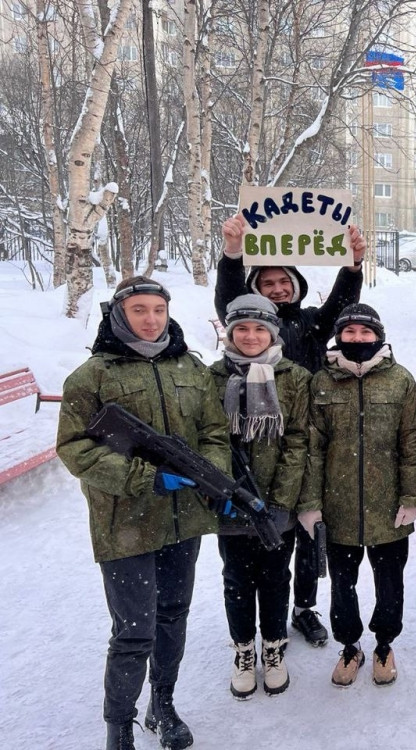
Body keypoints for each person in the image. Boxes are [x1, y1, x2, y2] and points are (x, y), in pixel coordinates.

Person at [56, 277, 229, 750]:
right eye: (139, 310)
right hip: (124, 524)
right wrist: (142, 477)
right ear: (119, 314)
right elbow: (74, 449)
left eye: (158, 310)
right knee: (134, 631)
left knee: (172, 616)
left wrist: (210, 473)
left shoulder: (190, 367)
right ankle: (119, 727)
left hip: (183, 519)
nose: (151, 320)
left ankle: (163, 705)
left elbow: (214, 431)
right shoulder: (92, 376)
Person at [216, 214, 368, 648]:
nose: (278, 288)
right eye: (268, 283)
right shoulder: (252, 327)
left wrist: (353, 265)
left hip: (309, 439)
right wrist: (232, 254)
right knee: (269, 534)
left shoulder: (311, 323)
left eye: (284, 281)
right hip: (263, 444)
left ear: (297, 284)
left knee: (308, 528)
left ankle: (303, 606)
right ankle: (265, 617)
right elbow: (229, 300)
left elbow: (340, 305)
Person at [302, 304, 416, 688]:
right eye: (350, 331)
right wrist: (310, 504)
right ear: (339, 336)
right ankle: (349, 645)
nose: (357, 338)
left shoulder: (399, 380)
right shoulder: (321, 381)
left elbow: (411, 443)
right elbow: (313, 448)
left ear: (378, 336)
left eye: (365, 331)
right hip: (338, 507)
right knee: (343, 584)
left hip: (389, 508)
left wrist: (412, 496)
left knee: (390, 583)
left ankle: (384, 644)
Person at [209, 295, 312, 700]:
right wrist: (224, 490)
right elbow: (208, 438)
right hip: (230, 502)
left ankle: (273, 648)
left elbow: (298, 441)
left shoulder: (294, 377)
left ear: (272, 332)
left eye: (259, 329)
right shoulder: (213, 377)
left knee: (275, 578)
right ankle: (243, 651)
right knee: (236, 579)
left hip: (276, 506)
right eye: (241, 329)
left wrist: (281, 502)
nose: (250, 336)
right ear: (230, 332)